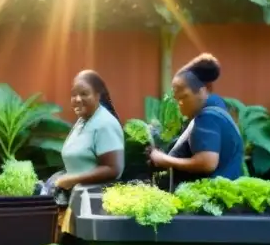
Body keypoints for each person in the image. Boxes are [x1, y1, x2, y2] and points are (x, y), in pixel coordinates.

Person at [147, 53, 244, 188]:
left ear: (203, 90)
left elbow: (207, 163)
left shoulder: (207, 117)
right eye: (177, 99)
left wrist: (164, 160)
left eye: (184, 97)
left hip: (211, 200)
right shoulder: (217, 109)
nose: (180, 104)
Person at [55, 70, 125, 192]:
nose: (77, 99)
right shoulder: (83, 120)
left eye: (84, 94)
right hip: (77, 197)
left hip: (96, 202)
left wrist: (72, 179)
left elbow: (113, 168)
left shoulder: (105, 123)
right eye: (74, 94)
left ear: (98, 95)